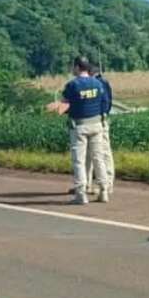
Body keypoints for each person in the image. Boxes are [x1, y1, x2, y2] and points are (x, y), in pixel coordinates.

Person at [47, 56, 109, 205]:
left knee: (79, 161)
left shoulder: (72, 85)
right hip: (97, 124)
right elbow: (103, 103)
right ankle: (103, 191)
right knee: (98, 158)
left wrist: (55, 107)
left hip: (79, 126)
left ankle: (81, 194)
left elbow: (65, 105)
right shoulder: (98, 83)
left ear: (77, 67)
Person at [86, 69, 115, 195]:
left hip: (98, 120)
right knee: (91, 154)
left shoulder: (99, 83)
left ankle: (107, 183)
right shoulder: (98, 82)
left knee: (103, 153)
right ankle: (87, 183)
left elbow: (106, 103)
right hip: (94, 121)